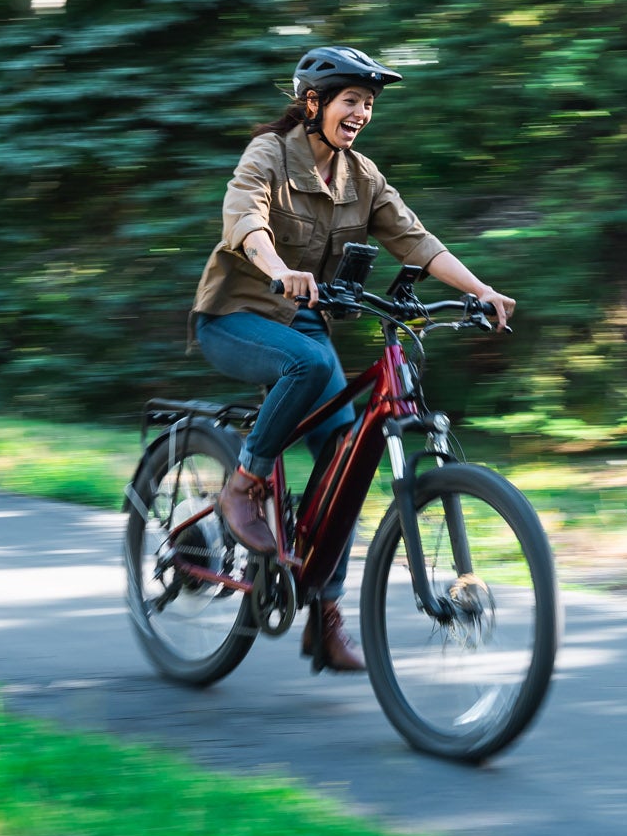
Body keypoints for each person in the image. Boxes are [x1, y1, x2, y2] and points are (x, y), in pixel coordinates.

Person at [190, 45, 515, 673]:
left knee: (346, 458)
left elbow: (414, 239)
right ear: (313, 104)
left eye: (368, 102)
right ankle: (244, 485)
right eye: (351, 99)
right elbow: (244, 218)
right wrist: (280, 268)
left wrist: (480, 290)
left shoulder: (362, 176)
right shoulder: (269, 155)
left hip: (302, 323)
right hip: (235, 316)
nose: (362, 111)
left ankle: (325, 615)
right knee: (307, 368)